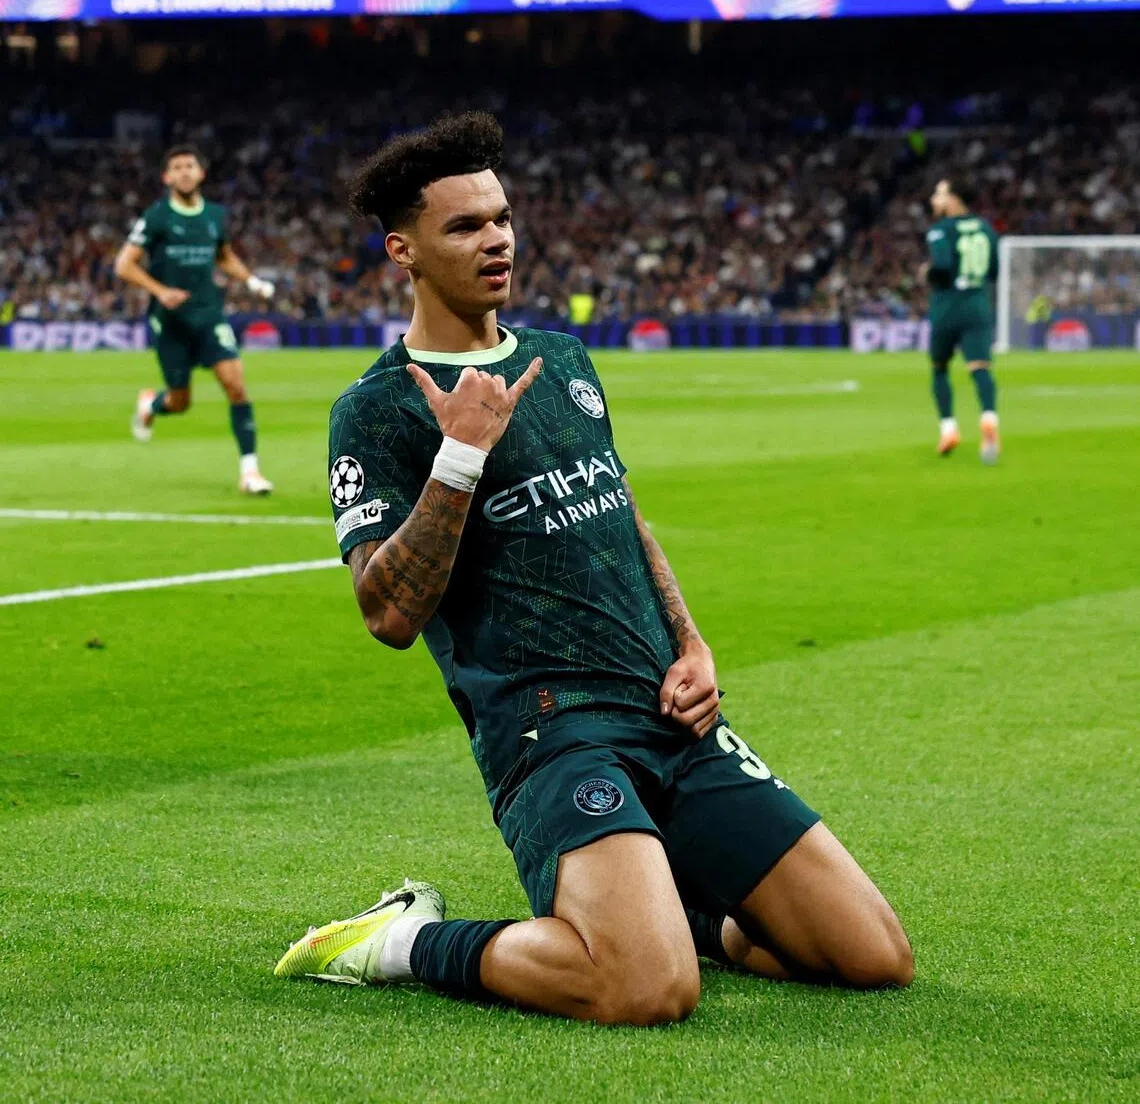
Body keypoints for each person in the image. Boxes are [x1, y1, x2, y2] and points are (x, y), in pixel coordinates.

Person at [274, 112, 913, 1024]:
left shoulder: (562, 357)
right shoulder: (377, 410)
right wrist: (458, 460)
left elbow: (620, 514)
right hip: (553, 733)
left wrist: (692, 645)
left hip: (670, 713)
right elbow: (387, 613)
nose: (495, 239)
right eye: (464, 226)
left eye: (500, 217)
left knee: (870, 956)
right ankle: (397, 940)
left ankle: (668, 908)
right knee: (645, 990)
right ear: (401, 251)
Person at [114, 144, 276, 494]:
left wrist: (250, 280)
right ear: (167, 177)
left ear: (201, 173)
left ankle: (250, 472)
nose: (184, 171)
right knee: (180, 401)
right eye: (177, 167)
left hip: (209, 315)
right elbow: (123, 265)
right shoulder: (157, 217)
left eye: (190, 165)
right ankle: (152, 404)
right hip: (170, 321)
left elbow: (224, 256)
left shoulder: (215, 216)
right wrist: (159, 292)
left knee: (235, 386)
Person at [924, 177, 1001, 463]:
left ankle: (948, 428)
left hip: (948, 305)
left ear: (954, 199)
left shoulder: (940, 230)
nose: (934, 200)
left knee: (939, 368)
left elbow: (942, 267)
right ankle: (989, 418)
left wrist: (928, 274)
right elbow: (993, 271)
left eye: (939, 194)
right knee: (980, 368)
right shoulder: (986, 228)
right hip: (978, 303)